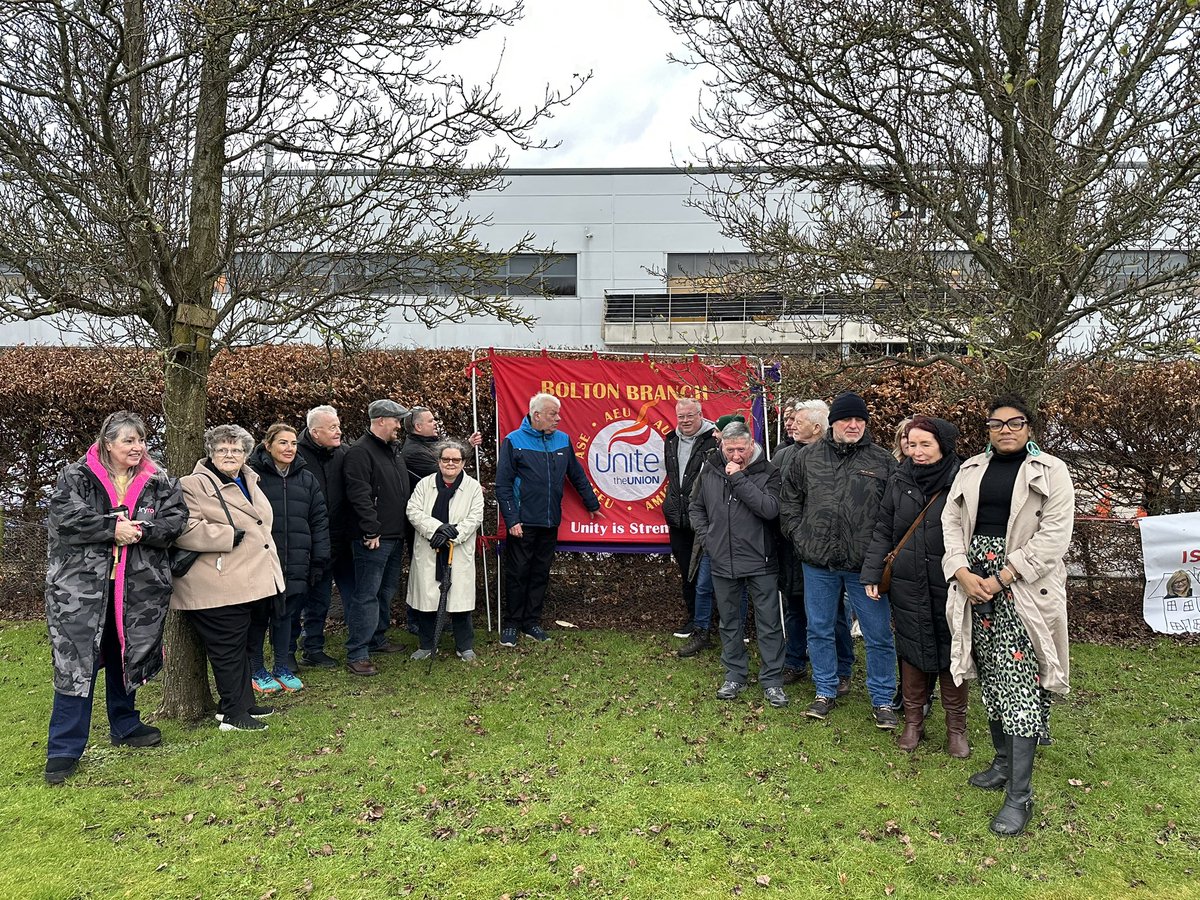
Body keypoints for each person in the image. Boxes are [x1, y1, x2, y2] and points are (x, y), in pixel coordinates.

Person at [942, 395, 1074, 836]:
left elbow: (1055, 536)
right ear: (988, 430)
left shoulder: (1052, 471)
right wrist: (961, 571)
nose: (1006, 429)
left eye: (1016, 422)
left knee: (1020, 683)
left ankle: (1019, 796)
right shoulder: (971, 469)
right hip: (973, 585)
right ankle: (1001, 763)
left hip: (1022, 587)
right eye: (996, 423)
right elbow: (952, 523)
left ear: (1030, 427)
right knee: (993, 675)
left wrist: (1001, 577)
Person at [43, 411, 188, 784]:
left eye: (141, 440)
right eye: (128, 441)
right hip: (81, 593)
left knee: (128, 653)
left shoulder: (159, 481)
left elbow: (175, 522)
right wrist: (112, 528)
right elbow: (66, 518)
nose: (137, 447)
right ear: (108, 444)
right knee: (78, 663)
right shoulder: (76, 476)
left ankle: (124, 725)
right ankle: (63, 748)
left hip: (136, 590)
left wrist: (139, 531)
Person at [780, 390, 899, 728]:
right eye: (847, 418)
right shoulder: (806, 458)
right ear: (832, 423)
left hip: (865, 566)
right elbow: (789, 502)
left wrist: (880, 554)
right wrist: (801, 538)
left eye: (860, 419)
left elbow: (891, 515)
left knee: (878, 634)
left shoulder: (882, 462)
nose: (854, 424)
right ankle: (825, 690)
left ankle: (882, 699)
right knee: (819, 629)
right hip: (818, 563)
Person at [862, 416, 968, 755]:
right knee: (910, 648)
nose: (917, 451)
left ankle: (956, 729)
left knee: (953, 650)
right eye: (912, 444)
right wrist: (872, 574)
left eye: (926, 444)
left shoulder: (964, 478)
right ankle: (912, 723)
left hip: (950, 578)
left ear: (943, 445)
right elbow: (884, 529)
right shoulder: (899, 478)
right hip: (908, 580)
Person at [171, 425, 286, 733]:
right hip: (214, 582)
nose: (229, 455)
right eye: (222, 449)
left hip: (248, 580)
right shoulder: (192, 484)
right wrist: (225, 535)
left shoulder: (250, 479)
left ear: (246, 454)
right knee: (227, 649)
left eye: (236, 450)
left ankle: (239, 704)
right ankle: (233, 714)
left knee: (243, 644)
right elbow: (182, 528)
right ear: (211, 453)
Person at [689, 420, 787, 706]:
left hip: (760, 559)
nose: (735, 456)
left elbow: (769, 509)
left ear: (751, 444)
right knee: (730, 622)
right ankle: (734, 674)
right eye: (729, 449)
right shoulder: (710, 468)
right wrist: (709, 539)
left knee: (768, 624)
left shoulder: (768, 471)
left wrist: (739, 478)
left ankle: (773, 682)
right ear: (721, 445)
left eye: (740, 449)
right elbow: (696, 506)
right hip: (722, 558)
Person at [496, 392, 602, 647]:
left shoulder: (563, 440)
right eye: (553, 414)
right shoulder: (514, 441)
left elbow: (576, 475)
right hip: (522, 523)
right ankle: (511, 624)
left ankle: (532, 623)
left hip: (550, 522)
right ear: (537, 415)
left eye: (558, 413)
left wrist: (592, 503)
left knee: (540, 574)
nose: (558, 418)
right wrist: (512, 520)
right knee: (518, 574)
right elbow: (503, 485)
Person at [774, 399, 856, 686]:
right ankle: (795, 662)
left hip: (827, 554)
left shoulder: (840, 458)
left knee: (833, 615)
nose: (792, 425)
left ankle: (842, 669)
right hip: (793, 549)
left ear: (818, 428)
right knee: (795, 608)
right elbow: (782, 501)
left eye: (800, 421)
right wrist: (795, 533)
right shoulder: (783, 456)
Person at [246, 423, 330, 693]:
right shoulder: (251, 476)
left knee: (286, 616)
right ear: (268, 445)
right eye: (283, 443)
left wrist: (319, 559)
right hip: (261, 562)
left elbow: (318, 520)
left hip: (296, 561)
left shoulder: (306, 478)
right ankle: (257, 668)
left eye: (293, 443)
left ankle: (282, 665)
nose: (289, 448)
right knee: (259, 618)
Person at [343, 399, 412, 676]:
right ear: (381, 420)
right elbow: (358, 493)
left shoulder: (392, 451)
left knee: (385, 592)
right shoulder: (361, 452)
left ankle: (376, 638)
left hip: (394, 536)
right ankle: (357, 652)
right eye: (396, 420)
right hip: (373, 538)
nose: (399, 426)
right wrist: (371, 529)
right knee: (367, 594)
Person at [406, 439, 486, 660]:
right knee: (427, 601)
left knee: (460, 602)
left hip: (457, 551)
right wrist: (438, 529)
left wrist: (452, 535)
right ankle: (426, 645)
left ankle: (464, 645)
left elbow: (475, 517)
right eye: (446, 459)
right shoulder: (425, 484)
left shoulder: (472, 488)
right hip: (430, 549)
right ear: (439, 461)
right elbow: (413, 511)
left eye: (456, 460)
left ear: (463, 463)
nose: (450, 463)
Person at [294, 405, 355, 667]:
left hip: (341, 537)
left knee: (326, 597)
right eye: (332, 427)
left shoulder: (343, 453)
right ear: (314, 431)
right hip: (307, 540)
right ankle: (297, 651)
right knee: (305, 597)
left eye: (339, 425)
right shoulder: (295, 454)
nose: (339, 431)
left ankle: (316, 647)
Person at [663, 397, 718, 645]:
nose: (685, 421)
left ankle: (714, 622)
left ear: (700, 414)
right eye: (681, 416)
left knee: (711, 574)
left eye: (690, 416)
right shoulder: (670, 440)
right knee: (687, 572)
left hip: (706, 520)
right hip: (678, 519)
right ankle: (694, 620)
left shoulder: (714, 439)